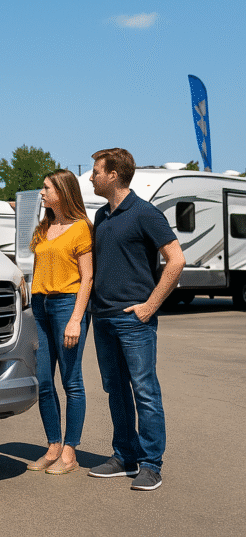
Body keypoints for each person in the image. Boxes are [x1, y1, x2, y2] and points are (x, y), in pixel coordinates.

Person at [85, 148, 185, 491]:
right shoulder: (101, 215)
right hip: (104, 319)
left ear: (113, 174)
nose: (91, 176)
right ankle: (124, 456)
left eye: (96, 171)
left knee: (144, 391)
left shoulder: (146, 213)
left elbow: (176, 260)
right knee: (116, 390)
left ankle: (151, 464)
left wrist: (150, 306)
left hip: (134, 321)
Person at [25, 169, 93, 475]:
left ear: (62, 193)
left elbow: (88, 277)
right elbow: (38, 270)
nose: (42, 193)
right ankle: (53, 446)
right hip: (40, 304)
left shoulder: (81, 228)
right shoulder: (43, 228)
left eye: (46, 188)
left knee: (71, 381)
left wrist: (76, 319)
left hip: (68, 305)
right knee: (42, 379)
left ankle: (70, 451)